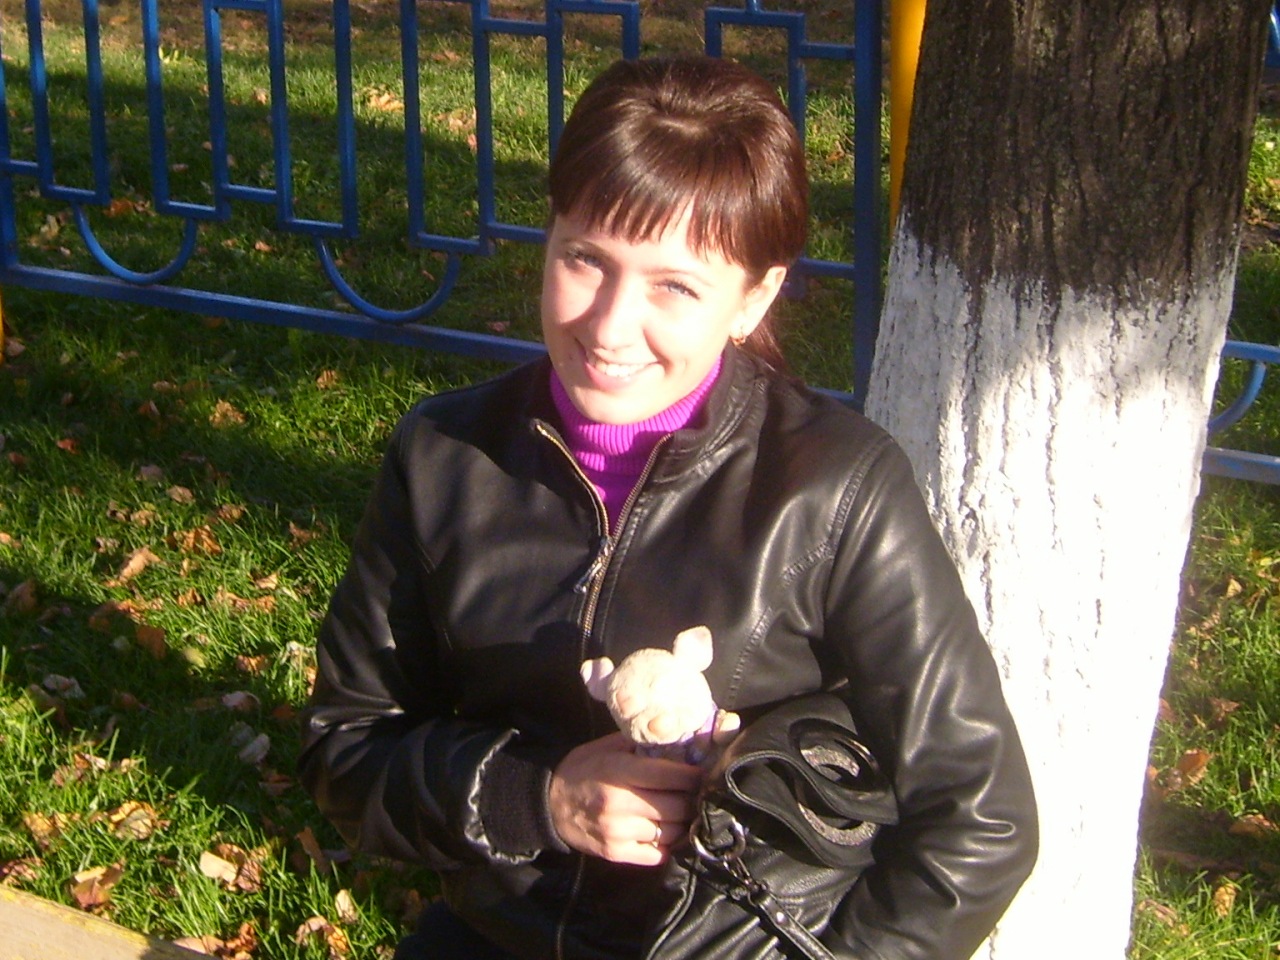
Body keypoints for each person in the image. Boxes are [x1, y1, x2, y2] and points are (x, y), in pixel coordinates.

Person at [298, 55, 1037, 960]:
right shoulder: (443, 456)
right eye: (585, 259)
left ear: (754, 297)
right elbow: (346, 747)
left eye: (675, 287)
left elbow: (981, 815)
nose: (609, 327)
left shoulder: (834, 488)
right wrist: (540, 797)